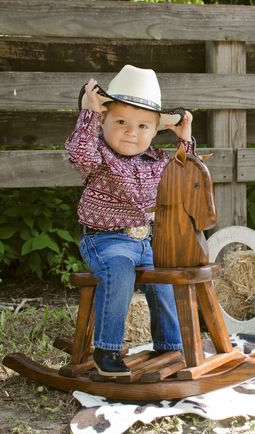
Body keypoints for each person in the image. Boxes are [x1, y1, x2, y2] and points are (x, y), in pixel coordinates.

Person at [65, 64, 194, 378]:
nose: (130, 132)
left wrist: (185, 139)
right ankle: (107, 348)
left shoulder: (157, 160)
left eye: (142, 127)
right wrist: (88, 113)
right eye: (120, 121)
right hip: (105, 241)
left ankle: (170, 345)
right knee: (120, 274)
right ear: (103, 121)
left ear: (154, 131)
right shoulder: (98, 156)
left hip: (145, 241)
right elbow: (80, 153)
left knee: (163, 279)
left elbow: (185, 176)